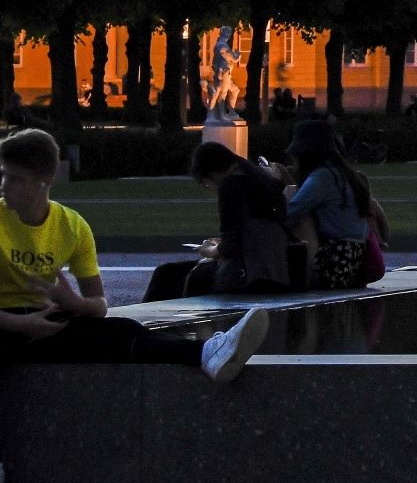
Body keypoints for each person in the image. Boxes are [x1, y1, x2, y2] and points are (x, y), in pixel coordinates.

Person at [0, 129, 272, 383]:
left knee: (124, 330)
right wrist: (21, 323)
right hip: (7, 324)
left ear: (43, 181)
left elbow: (99, 306)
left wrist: (74, 303)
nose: (3, 185)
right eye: (4, 175)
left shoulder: (71, 225)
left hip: (43, 325)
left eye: (15, 179)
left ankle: (208, 352)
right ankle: (208, 351)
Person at [141, 142, 293, 302]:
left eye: (205, 183)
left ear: (212, 173)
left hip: (247, 272)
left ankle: (145, 324)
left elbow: (229, 247)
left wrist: (208, 249)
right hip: (275, 268)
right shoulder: (258, 177)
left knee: (165, 275)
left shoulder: (230, 186)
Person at [281, 118, 380, 290]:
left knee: (294, 202)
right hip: (353, 260)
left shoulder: (323, 177)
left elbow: (291, 213)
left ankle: (304, 275)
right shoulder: (344, 173)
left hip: (334, 263)